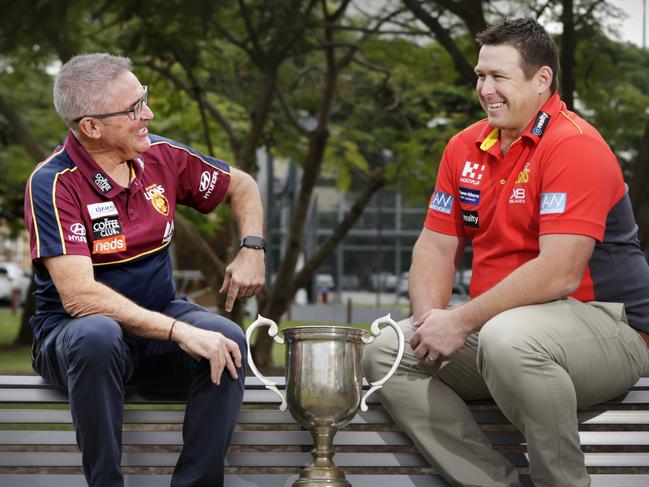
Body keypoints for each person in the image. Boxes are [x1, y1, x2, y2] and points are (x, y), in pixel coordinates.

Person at [363, 18, 649, 487]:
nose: (485, 89)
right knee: (388, 352)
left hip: (609, 326)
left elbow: (559, 273)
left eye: (499, 77)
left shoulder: (575, 146)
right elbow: (436, 246)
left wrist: (460, 321)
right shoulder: (464, 147)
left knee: (510, 340)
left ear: (541, 81)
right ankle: (493, 483)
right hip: (503, 330)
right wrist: (431, 323)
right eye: (480, 76)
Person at [23, 53, 266, 487]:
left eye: (144, 99)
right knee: (98, 334)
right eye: (133, 109)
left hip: (155, 326)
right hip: (74, 336)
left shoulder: (161, 156)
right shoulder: (54, 182)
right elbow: (81, 298)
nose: (147, 115)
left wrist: (252, 248)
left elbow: (242, 185)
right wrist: (178, 331)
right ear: (91, 127)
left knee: (228, 340)